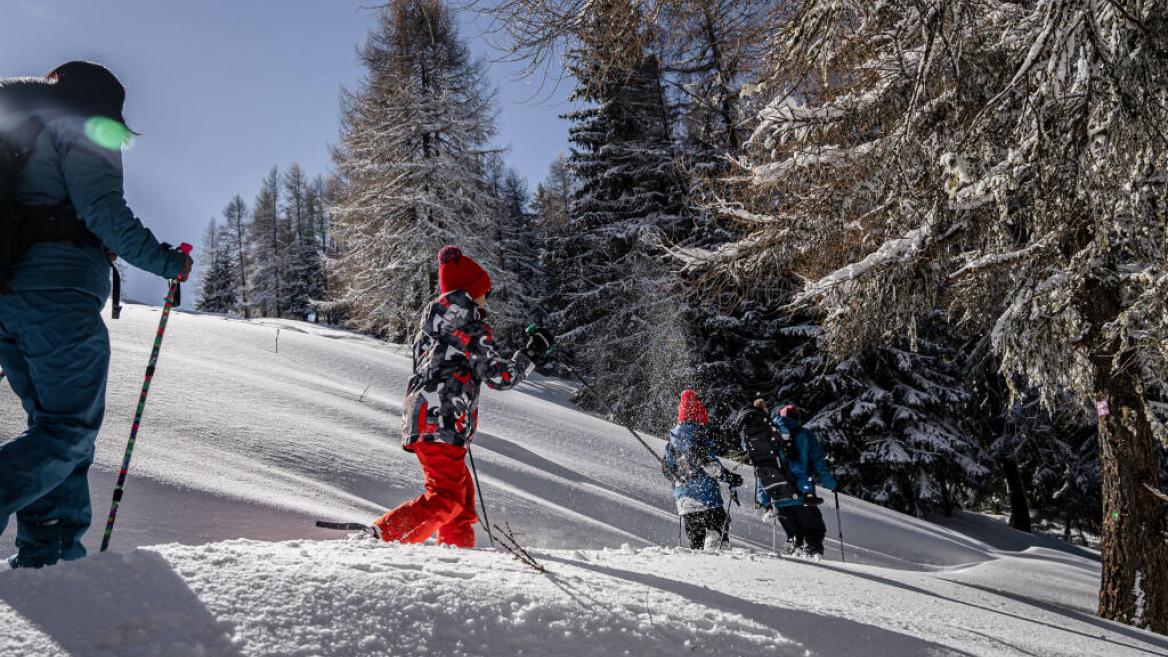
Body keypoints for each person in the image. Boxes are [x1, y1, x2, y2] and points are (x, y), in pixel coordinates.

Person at [0, 62, 192, 569]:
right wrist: (168, 262)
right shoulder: (83, 125)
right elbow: (103, 212)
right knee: (68, 430)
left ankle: (51, 560)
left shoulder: (23, 131)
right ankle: (51, 552)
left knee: (53, 429)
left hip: (10, 297)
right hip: (57, 295)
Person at [374, 246, 554, 547]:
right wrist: (533, 353)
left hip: (427, 417)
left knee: (461, 498)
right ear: (471, 293)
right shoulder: (470, 328)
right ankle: (384, 536)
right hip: (441, 420)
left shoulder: (431, 330)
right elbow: (500, 377)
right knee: (446, 498)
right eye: (485, 292)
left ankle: (457, 552)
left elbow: (435, 370)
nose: (487, 299)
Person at [662, 390, 743, 550]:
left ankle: (699, 566)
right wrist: (729, 477)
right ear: (698, 415)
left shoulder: (672, 442)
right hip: (706, 497)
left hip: (684, 501)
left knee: (696, 543)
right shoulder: (697, 436)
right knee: (718, 533)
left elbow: (667, 471)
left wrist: (678, 478)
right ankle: (716, 554)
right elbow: (708, 465)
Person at [759, 403, 837, 558]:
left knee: (795, 537)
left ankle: (796, 561)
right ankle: (812, 556)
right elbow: (820, 465)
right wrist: (832, 484)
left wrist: (764, 500)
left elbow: (762, 469)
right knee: (815, 531)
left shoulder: (769, 436)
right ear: (797, 418)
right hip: (803, 496)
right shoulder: (806, 436)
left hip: (779, 497)